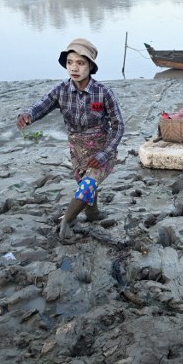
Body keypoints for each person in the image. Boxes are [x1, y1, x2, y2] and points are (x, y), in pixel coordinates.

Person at [16, 38, 124, 240]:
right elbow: (41, 106)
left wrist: (104, 154)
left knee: (89, 184)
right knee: (85, 183)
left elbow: (119, 125)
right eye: (70, 62)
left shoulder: (104, 93)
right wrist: (28, 114)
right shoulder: (61, 91)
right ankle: (93, 215)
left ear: (90, 66)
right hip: (77, 150)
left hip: (102, 149)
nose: (74, 68)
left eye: (80, 63)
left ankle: (67, 221)